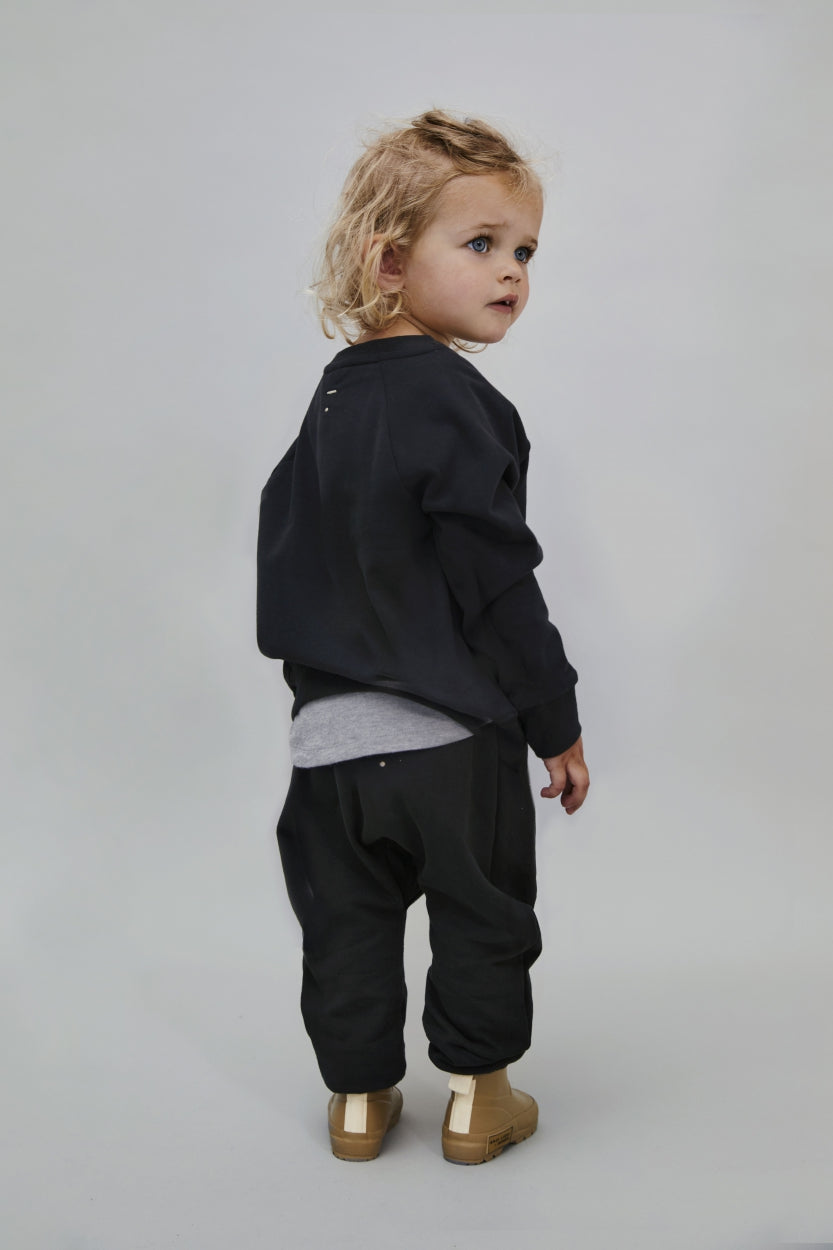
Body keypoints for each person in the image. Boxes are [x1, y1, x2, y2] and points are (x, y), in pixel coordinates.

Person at [256, 108, 590, 1165]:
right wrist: (552, 719)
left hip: (327, 746)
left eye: (524, 250)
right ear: (390, 260)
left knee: (345, 924)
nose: (512, 272)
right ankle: (477, 1099)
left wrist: (322, 689)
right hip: (450, 737)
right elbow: (496, 582)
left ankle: (358, 1102)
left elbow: (289, 555)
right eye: (481, 243)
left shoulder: (329, 404)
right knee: (481, 912)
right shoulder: (456, 401)